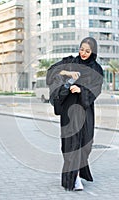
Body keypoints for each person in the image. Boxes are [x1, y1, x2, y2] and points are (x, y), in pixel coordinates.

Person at [46, 37, 103, 191]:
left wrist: (81, 90)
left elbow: (96, 89)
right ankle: (74, 178)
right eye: (81, 49)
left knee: (86, 144)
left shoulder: (96, 69)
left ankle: (77, 173)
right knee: (71, 144)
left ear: (93, 52)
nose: (83, 53)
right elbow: (51, 72)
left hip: (85, 110)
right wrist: (68, 73)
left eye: (87, 51)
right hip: (69, 110)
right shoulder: (70, 62)